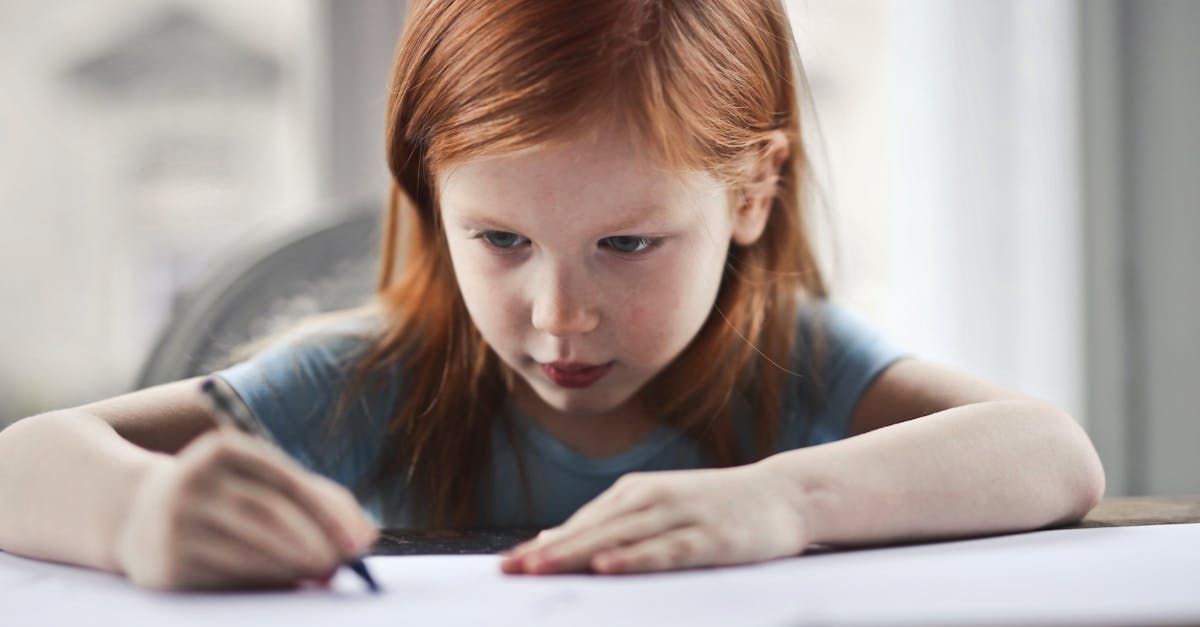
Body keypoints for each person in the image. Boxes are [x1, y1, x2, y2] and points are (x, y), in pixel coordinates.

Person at [0, 0, 1105, 591]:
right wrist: (139, 512)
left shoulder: (790, 364)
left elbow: (1053, 455)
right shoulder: (367, 377)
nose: (559, 312)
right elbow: (22, 460)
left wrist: (787, 500)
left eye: (628, 241)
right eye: (500, 239)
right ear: (432, 199)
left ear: (754, 191)